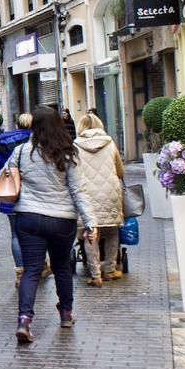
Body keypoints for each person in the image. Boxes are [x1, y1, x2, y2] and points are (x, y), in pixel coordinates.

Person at [8, 106, 96, 343]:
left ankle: (24, 321)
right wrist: (90, 222)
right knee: (62, 268)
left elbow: (5, 175)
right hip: (61, 219)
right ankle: (66, 314)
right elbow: (78, 191)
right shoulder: (67, 152)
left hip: (28, 217)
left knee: (31, 271)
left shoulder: (21, 151)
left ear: (33, 126)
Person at [73, 113, 125, 287]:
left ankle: (95, 275)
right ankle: (110, 269)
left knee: (90, 233)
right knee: (111, 232)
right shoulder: (110, 143)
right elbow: (120, 170)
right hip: (110, 191)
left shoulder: (75, 146)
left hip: (86, 194)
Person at [0, 113, 33, 287]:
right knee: (34, 235)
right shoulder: (37, 140)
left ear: (16, 124)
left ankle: (20, 271)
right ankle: (37, 267)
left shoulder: (2, 141)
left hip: (10, 194)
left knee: (15, 234)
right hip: (33, 195)